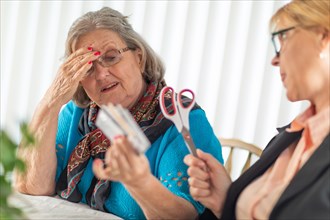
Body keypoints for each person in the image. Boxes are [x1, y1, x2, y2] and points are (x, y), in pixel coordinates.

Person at [14, 6, 223, 219]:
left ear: (138, 58)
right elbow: (32, 186)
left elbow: (182, 217)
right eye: (87, 67)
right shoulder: (78, 112)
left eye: (111, 57)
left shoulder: (182, 119)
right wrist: (50, 102)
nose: (102, 73)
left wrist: (139, 182)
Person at [184, 0, 330, 219]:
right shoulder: (287, 138)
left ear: (323, 37)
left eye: (282, 38)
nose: (274, 59)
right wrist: (225, 202)